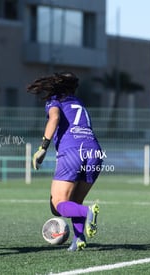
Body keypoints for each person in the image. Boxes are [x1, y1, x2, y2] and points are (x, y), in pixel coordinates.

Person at [27, 72, 103, 251]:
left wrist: (43, 147)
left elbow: (54, 118)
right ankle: (78, 239)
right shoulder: (79, 102)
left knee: (58, 205)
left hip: (72, 152)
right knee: (73, 204)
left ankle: (88, 212)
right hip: (95, 152)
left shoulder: (54, 100)